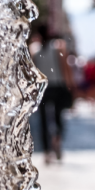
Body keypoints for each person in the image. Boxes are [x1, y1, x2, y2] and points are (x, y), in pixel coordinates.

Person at [30, 24, 75, 164]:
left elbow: (32, 70)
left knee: (43, 120)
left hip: (42, 88)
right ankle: (57, 141)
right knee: (58, 117)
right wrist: (70, 85)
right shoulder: (58, 46)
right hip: (58, 86)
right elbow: (65, 67)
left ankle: (46, 152)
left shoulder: (34, 49)